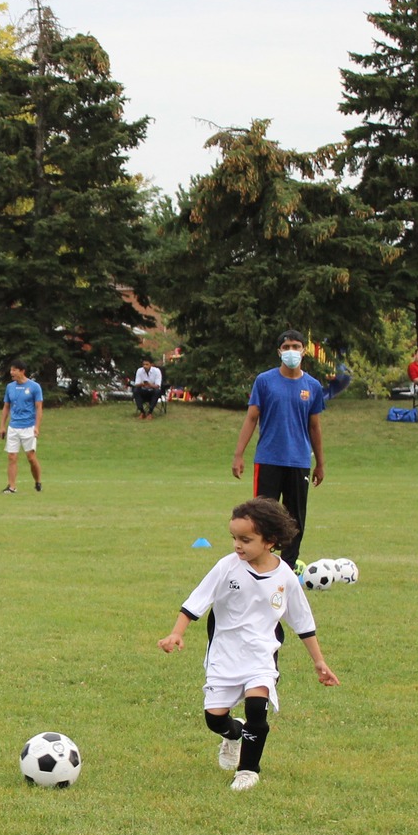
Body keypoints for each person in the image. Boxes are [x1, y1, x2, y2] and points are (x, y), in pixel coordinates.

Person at [157, 497, 339, 792]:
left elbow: (303, 623)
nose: (237, 545)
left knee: (258, 705)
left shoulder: (285, 578)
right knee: (214, 720)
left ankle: (248, 770)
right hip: (224, 655)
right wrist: (177, 633)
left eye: (245, 539)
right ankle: (233, 734)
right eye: (234, 538)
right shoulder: (227, 567)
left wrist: (319, 662)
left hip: (260, 655)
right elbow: (197, 600)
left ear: (270, 541)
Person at [231, 330, 327, 567]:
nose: (291, 351)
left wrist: (321, 464)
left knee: (295, 519)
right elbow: (252, 418)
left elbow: (315, 427)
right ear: (279, 352)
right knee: (261, 517)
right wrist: (239, 454)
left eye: (296, 346)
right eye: (286, 347)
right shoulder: (265, 381)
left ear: (304, 350)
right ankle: (259, 565)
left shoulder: (312, 386)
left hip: (299, 461)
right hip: (268, 459)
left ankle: (288, 567)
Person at [0, 361, 44, 494]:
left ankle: (37, 481)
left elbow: (39, 407)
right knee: (12, 457)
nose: (11, 373)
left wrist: (37, 427)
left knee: (31, 457)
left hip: (28, 427)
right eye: (11, 370)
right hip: (13, 427)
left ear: (22, 371)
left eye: (14, 370)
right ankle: (12, 487)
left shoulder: (34, 387)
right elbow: (6, 406)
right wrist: (2, 426)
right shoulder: (10, 387)